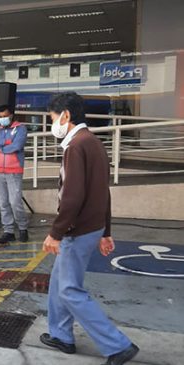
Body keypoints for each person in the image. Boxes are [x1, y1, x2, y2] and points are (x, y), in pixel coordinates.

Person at [40, 92, 139, 365]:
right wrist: (106, 231)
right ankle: (60, 334)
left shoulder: (75, 147)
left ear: (66, 116)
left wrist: (55, 233)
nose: (52, 124)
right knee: (59, 283)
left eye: (52, 118)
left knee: (70, 289)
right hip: (92, 226)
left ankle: (117, 345)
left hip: (77, 230)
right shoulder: (94, 142)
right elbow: (103, 192)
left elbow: (72, 198)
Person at [0, 105, 29, 244]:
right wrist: (5, 142)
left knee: (15, 202)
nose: (2, 119)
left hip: (14, 172)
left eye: (5, 116)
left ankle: (23, 229)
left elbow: (16, 146)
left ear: (11, 115)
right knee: (3, 203)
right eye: (0, 117)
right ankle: (8, 231)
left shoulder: (21, 129)